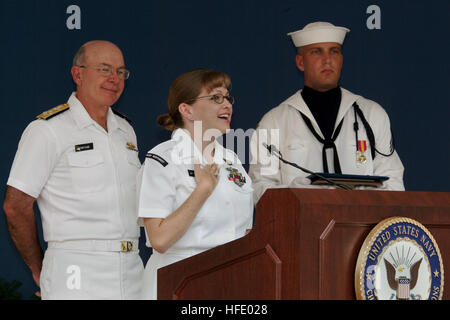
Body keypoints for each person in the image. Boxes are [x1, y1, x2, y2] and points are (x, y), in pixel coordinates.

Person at [3, 40, 143, 299]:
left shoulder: (126, 130)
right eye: (104, 69)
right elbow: (16, 206)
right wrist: (39, 268)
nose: (114, 78)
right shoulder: (48, 130)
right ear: (77, 74)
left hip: (132, 268)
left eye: (121, 72)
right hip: (75, 266)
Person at [249, 21, 405, 202]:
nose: (327, 59)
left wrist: (367, 201)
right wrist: (291, 193)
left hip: (362, 226)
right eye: (316, 52)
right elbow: (259, 186)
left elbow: (393, 179)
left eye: (334, 51)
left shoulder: (372, 114)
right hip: (301, 226)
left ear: (341, 59)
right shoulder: (274, 122)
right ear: (300, 62)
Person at [137, 68, 254, 300]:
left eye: (227, 98)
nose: (227, 105)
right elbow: (159, 240)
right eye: (215, 98)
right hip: (179, 281)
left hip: (229, 281)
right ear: (187, 110)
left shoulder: (232, 161)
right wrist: (202, 190)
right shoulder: (163, 159)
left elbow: (246, 232)